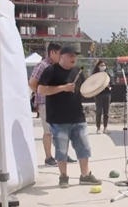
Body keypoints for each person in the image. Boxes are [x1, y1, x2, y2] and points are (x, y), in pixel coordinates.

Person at [37, 46, 101, 188]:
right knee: (61, 150)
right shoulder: (51, 70)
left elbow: (85, 90)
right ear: (61, 56)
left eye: (75, 55)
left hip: (77, 116)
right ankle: (63, 177)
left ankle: (85, 175)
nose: (74, 58)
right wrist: (62, 88)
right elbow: (40, 89)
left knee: (84, 148)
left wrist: (98, 85)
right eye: (70, 55)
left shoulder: (78, 71)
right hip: (58, 119)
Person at [28, 42, 76, 166]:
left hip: (58, 103)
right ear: (52, 53)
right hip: (45, 103)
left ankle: (62, 154)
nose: (62, 57)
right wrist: (41, 94)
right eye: (60, 54)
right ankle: (48, 157)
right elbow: (32, 83)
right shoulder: (43, 66)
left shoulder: (58, 68)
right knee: (48, 131)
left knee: (61, 130)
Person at [91, 60, 113, 134]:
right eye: (101, 65)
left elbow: (112, 84)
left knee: (106, 112)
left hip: (107, 94)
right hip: (98, 95)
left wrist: (108, 85)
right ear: (98, 66)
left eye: (104, 65)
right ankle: (98, 128)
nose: (103, 67)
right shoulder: (95, 75)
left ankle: (105, 128)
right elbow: (93, 84)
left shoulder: (108, 75)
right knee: (99, 111)